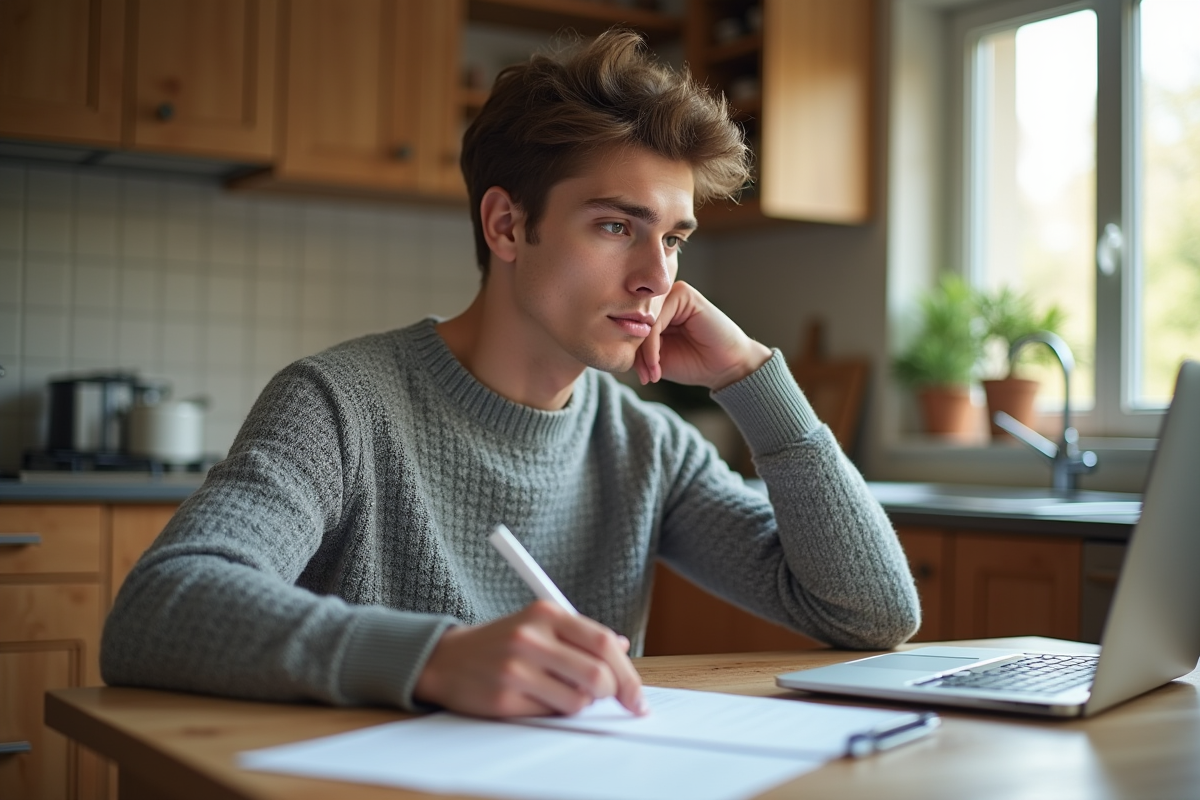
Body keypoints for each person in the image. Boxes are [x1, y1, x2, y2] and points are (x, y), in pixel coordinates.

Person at [101, 30, 919, 719]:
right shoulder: (341, 406)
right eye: (614, 225)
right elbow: (159, 607)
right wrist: (436, 660)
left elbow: (872, 614)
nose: (655, 276)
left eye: (673, 238)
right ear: (506, 224)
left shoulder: (646, 445)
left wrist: (754, 378)